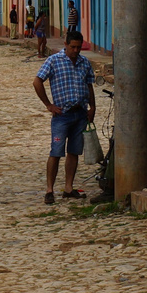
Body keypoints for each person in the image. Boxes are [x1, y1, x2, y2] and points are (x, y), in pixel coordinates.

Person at [33, 30, 94, 204]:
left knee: (74, 151)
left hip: (80, 113)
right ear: (65, 45)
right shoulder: (54, 61)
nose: (75, 50)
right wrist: (48, 105)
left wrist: (93, 107)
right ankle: (49, 189)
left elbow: (89, 85)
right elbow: (37, 81)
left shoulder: (84, 62)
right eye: (72, 47)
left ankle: (68, 187)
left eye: (78, 47)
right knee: (56, 152)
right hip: (62, 115)